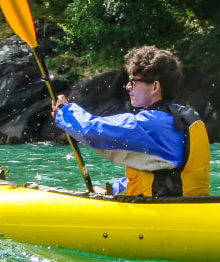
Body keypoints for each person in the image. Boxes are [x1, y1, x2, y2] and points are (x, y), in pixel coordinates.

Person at [52, 46, 210, 197]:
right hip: (181, 205)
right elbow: (152, 174)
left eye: (133, 81)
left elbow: (92, 131)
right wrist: (112, 192)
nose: (128, 86)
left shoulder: (152, 124)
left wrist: (64, 111)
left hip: (162, 210)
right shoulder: (179, 118)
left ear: (154, 87)